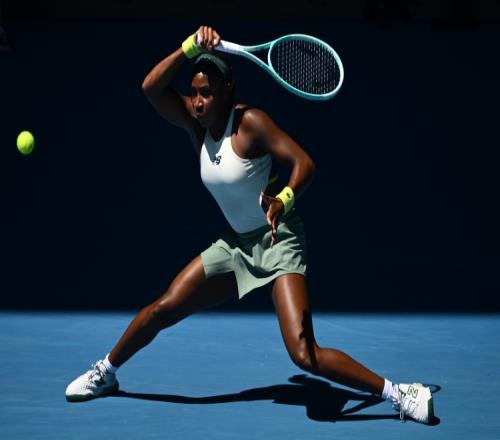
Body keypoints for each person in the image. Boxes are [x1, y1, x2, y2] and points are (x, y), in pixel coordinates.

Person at [65, 26, 435, 424]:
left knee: (303, 354)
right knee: (164, 307)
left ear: (227, 91)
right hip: (236, 246)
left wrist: (282, 199)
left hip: (279, 241)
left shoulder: (251, 123)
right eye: (194, 92)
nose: (198, 101)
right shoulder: (195, 122)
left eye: (207, 93)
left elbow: (305, 164)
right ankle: (106, 373)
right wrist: (189, 47)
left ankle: (400, 393)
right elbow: (150, 87)